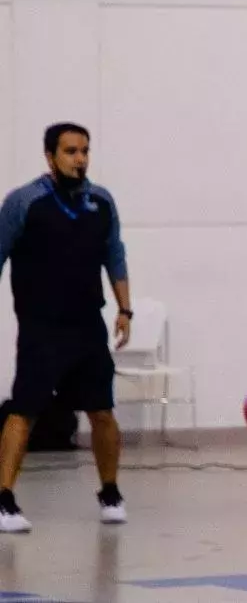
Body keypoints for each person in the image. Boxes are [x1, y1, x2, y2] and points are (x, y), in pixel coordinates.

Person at [0, 123, 132, 533]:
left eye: (85, 151)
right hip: (42, 327)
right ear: (50, 156)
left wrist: (125, 309)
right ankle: (4, 498)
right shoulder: (25, 203)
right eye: (71, 151)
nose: (80, 159)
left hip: (86, 326)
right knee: (25, 409)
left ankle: (110, 491)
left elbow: (115, 255)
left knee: (102, 410)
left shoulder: (101, 202)